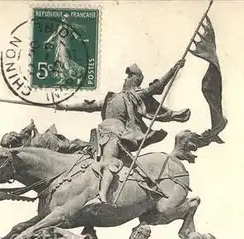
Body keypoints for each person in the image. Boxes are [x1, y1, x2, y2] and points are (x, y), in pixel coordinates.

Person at [55, 60, 190, 202]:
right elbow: (89, 106)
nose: (125, 79)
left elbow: (157, 86)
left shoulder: (135, 95)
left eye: (129, 77)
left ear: (134, 80)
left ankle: (101, 196)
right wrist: (64, 106)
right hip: (99, 135)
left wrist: (173, 69)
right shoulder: (113, 97)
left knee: (107, 163)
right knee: (83, 159)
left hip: (115, 135)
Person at [0, 120, 89, 153]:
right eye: (10, 139)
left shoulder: (21, 134)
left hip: (46, 142)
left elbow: (30, 125)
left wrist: (31, 128)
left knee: (66, 146)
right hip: (42, 151)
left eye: (11, 136)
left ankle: (86, 145)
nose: (13, 137)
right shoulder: (17, 149)